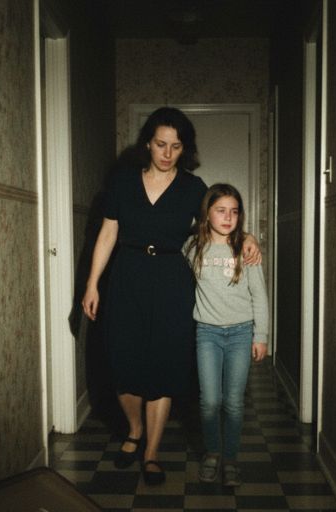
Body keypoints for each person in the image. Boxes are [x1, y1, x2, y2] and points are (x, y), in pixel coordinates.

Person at [81, 107, 260, 485]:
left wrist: (247, 237)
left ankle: (151, 452)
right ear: (147, 143)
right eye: (160, 144)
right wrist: (92, 283)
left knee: (162, 365)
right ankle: (134, 429)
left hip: (171, 282)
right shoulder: (122, 182)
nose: (167, 153)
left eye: (175, 146)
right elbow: (108, 234)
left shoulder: (193, 188)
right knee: (123, 363)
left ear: (184, 149)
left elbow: (219, 221)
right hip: (127, 277)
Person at [184, 183, 269, 487]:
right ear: (207, 213)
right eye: (220, 210)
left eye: (234, 211)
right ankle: (213, 453)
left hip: (241, 333)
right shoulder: (192, 247)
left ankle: (230, 458)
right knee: (209, 401)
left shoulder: (246, 250)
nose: (228, 217)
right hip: (207, 333)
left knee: (233, 402)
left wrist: (261, 335)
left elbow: (259, 296)